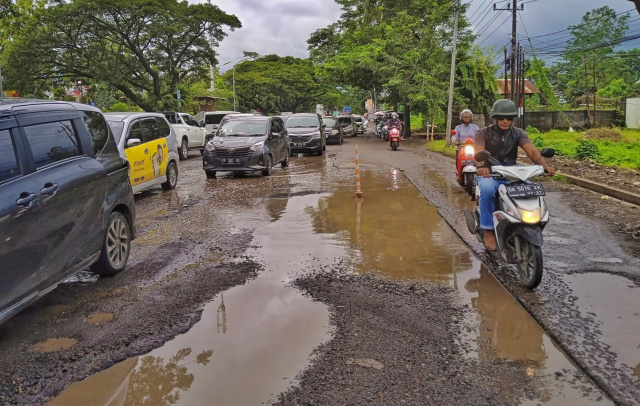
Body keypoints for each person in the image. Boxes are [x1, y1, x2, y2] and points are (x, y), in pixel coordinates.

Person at [475, 99, 556, 251]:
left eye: (509, 118)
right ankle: (488, 230)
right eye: (501, 118)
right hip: (490, 174)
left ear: (512, 119)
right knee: (487, 190)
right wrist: (481, 166)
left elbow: (531, 151)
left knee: (532, 190)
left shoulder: (518, 133)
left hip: (512, 174)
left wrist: (545, 166)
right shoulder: (482, 133)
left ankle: (530, 223)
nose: (505, 121)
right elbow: (478, 150)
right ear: (495, 118)